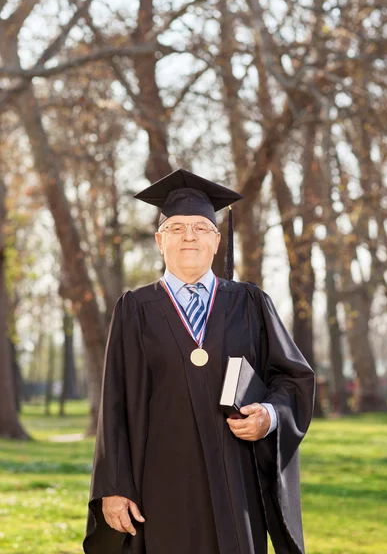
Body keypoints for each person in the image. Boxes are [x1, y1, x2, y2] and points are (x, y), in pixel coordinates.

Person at [83, 168, 315, 554]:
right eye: (176, 228)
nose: (188, 235)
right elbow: (115, 405)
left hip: (237, 481)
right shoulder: (134, 309)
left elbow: (292, 379)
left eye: (200, 228)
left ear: (216, 240)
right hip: (157, 485)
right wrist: (113, 489)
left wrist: (269, 417)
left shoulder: (250, 303)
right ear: (160, 241)